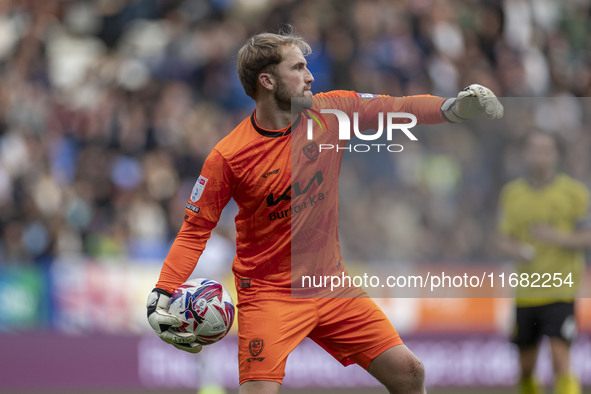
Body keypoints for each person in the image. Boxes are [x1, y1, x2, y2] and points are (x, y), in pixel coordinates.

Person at [146, 27, 503, 394]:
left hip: (330, 284)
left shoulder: (332, 111)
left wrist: (454, 109)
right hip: (269, 295)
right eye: (298, 68)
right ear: (267, 81)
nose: (310, 75)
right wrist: (162, 292)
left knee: (409, 373)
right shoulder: (229, 156)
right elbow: (194, 230)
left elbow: (399, 107)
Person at [497, 131, 591, 394]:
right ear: (525, 154)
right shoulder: (512, 194)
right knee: (526, 367)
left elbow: (587, 236)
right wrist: (516, 249)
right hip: (526, 292)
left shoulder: (574, 193)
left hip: (561, 289)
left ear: (556, 155)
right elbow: (502, 239)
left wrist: (555, 236)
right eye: (534, 149)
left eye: (545, 150)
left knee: (560, 358)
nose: (540, 156)